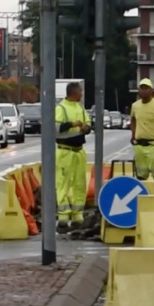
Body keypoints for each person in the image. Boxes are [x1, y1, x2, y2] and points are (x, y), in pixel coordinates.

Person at [55, 81, 91, 231]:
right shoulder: (61, 108)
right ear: (74, 93)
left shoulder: (80, 107)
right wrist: (71, 124)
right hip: (65, 151)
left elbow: (89, 125)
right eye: (80, 92)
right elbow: (56, 129)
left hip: (78, 151)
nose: (82, 94)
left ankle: (78, 216)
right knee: (63, 184)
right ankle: (63, 217)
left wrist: (85, 127)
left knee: (79, 184)